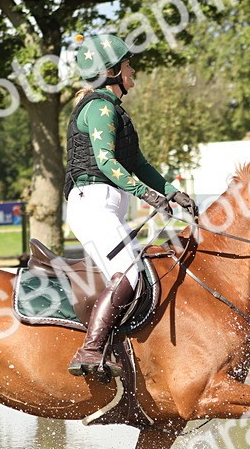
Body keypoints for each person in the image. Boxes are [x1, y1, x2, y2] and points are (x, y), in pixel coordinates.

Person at [64, 33, 198, 379]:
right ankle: (91, 349)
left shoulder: (113, 111)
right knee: (131, 274)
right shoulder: (100, 107)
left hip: (105, 205)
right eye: (127, 65)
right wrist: (149, 196)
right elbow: (107, 163)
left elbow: (138, 163)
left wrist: (172, 193)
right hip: (92, 202)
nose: (133, 70)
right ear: (111, 71)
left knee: (139, 272)